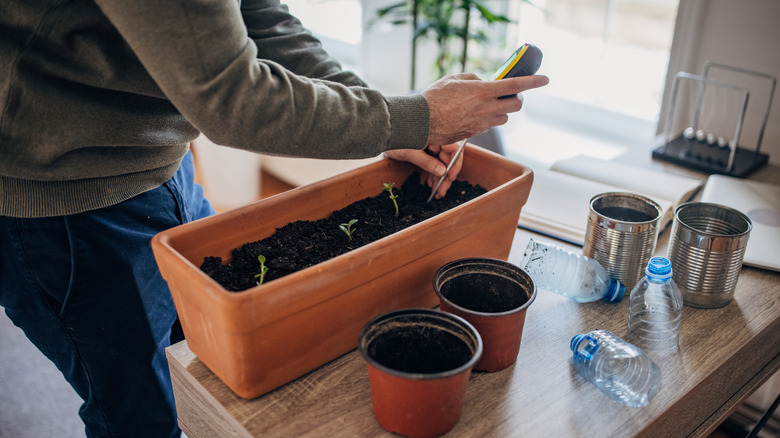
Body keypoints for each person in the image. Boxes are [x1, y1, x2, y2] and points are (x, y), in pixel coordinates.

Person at [0, 0, 548, 437]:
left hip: (159, 170)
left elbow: (261, 19)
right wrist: (414, 116)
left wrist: (403, 124)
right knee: (138, 414)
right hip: (62, 205)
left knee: (206, 366)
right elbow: (234, 100)